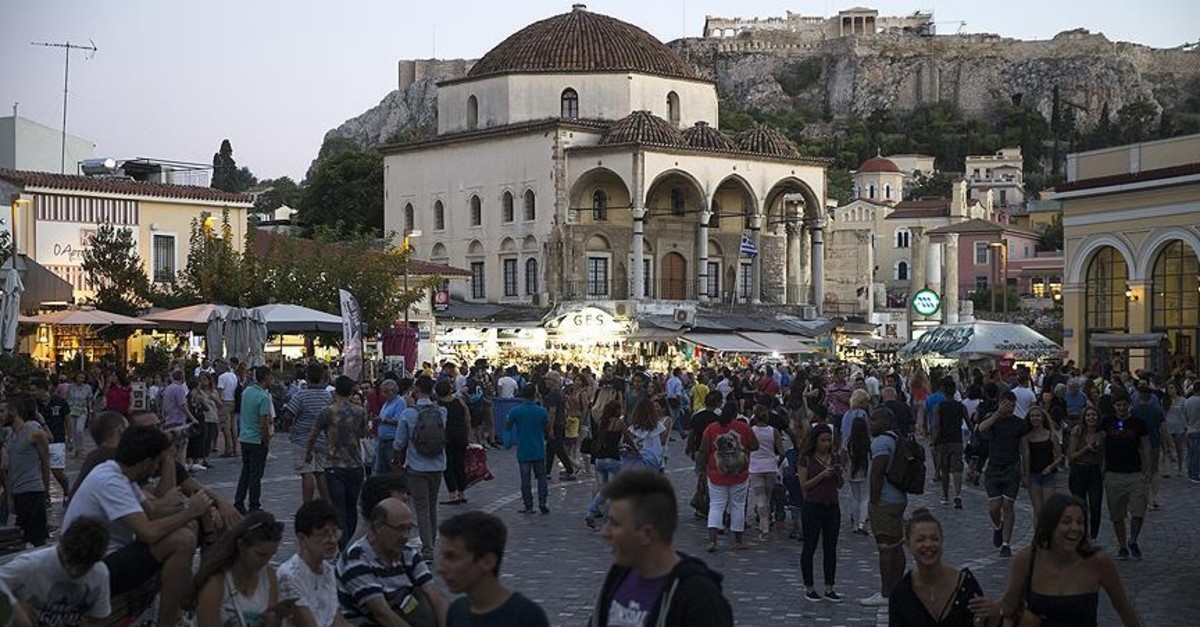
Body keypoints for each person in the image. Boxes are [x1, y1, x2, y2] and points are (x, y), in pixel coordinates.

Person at [63, 425, 212, 627]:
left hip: (109, 558)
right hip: (92, 567)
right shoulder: (111, 481)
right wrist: (190, 512)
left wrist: (192, 509)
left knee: (188, 528)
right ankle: (168, 621)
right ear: (146, 463)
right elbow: (148, 532)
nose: (156, 469)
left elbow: (152, 511)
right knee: (182, 540)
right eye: (157, 463)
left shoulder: (120, 473)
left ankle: (181, 603)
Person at [590, 470, 734, 627]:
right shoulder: (619, 575)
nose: (605, 532)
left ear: (647, 534)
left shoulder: (699, 598)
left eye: (615, 523)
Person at [998, 494, 1143, 627]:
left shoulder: (1098, 561)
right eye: (1066, 522)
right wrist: (988, 612)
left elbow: (1123, 607)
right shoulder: (1027, 559)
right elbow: (1008, 606)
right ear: (1051, 525)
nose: (1075, 528)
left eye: (1080, 523)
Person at [336, 497, 449, 627]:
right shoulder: (356, 559)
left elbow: (435, 596)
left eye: (408, 528)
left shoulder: (408, 553)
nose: (405, 536)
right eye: (399, 529)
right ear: (378, 527)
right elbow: (382, 614)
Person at [888, 508, 1001, 626]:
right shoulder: (901, 592)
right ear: (908, 545)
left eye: (934, 539)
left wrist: (995, 617)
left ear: (941, 542)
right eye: (920, 540)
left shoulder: (965, 586)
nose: (928, 544)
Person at [436, 511, 550, 627]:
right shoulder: (457, 610)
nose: (440, 568)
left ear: (487, 562)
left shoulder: (526, 617)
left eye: (452, 557)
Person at [0, 516, 111, 625]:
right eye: (68, 563)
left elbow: (98, 618)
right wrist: (13, 605)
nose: (74, 572)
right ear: (61, 547)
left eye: (84, 567)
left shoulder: (99, 573)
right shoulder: (32, 564)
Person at [194, 511, 292, 627]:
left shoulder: (269, 576)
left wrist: (277, 616)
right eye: (260, 554)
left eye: (271, 555)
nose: (265, 561)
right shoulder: (217, 584)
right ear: (241, 545)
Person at [308, 375, 368, 550]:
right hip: (355, 464)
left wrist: (308, 453)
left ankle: (343, 546)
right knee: (351, 506)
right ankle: (350, 544)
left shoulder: (327, 411)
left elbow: (313, 434)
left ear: (335, 391)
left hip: (334, 464)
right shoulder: (360, 411)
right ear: (351, 392)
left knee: (338, 506)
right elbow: (363, 434)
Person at [392, 376, 448, 560]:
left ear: (416, 389)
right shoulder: (441, 411)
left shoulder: (409, 414)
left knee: (421, 508)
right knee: (432, 506)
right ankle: (431, 542)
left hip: (416, 465)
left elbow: (399, 443)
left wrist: (396, 459)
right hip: (438, 464)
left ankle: (428, 548)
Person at [698, 401, 759, 552]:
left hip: (716, 472)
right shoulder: (744, 427)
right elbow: (755, 445)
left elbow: (703, 449)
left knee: (716, 505)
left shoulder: (711, 428)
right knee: (737, 505)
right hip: (739, 472)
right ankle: (738, 540)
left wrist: (701, 468)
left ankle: (712, 541)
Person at [278, 500, 351, 627]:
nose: (332, 540)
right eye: (324, 534)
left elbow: (337, 620)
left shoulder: (327, 570)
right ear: (302, 538)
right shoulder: (289, 576)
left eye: (334, 533)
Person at [860, 407, 906, 608]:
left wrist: (873, 500)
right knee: (896, 545)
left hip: (885, 500)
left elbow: (877, 472)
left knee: (885, 547)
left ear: (884, 421)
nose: (871, 423)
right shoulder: (895, 438)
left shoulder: (881, 442)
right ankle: (897, 588)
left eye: (874, 420)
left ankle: (886, 593)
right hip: (898, 497)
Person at [978, 391, 1029, 557]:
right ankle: (997, 527)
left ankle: (1006, 544)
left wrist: (1025, 472)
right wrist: (997, 414)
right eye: (1007, 404)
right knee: (994, 508)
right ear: (1000, 403)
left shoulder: (1019, 424)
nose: (1011, 408)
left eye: (1013, 405)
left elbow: (1024, 448)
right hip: (994, 468)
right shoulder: (993, 420)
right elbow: (981, 428)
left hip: (1011, 468)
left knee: (1008, 506)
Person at [797, 424, 844, 603]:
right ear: (815, 441)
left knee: (830, 548)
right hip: (812, 506)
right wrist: (823, 474)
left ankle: (829, 587)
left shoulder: (835, 457)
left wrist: (837, 474)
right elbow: (804, 485)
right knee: (810, 547)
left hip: (832, 506)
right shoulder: (806, 458)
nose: (826, 444)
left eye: (829, 440)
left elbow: (840, 485)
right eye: (823, 440)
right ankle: (809, 587)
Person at [1102, 392, 1151, 560]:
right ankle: (1122, 545)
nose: (1121, 408)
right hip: (1113, 474)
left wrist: (1148, 469)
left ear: (1129, 405)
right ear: (1114, 406)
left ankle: (1133, 540)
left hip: (1135, 473)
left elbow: (1145, 446)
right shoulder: (1107, 422)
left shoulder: (1138, 423)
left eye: (1124, 404)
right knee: (1117, 514)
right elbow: (1092, 431)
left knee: (1138, 511)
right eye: (1118, 405)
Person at [3, 397, 51, 546]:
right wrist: (10, 496)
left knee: (37, 539)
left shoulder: (32, 430)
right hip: (19, 493)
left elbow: (45, 461)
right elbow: (10, 468)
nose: (0, 415)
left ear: (13, 412)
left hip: (33, 491)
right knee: (21, 538)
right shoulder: (10, 436)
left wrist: (46, 490)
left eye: (2, 411)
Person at [286, 363, 333, 504]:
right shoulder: (327, 396)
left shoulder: (301, 395)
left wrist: (290, 427)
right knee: (320, 472)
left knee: (306, 472)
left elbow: (288, 415)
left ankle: (307, 504)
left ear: (307, 377)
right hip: (323, 439)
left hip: (302, 439)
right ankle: (326, 503)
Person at [506, 384, 552, 515]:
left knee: (525, 479)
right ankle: (542, 502)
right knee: (542, 477)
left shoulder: (515, 411)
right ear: (535, 395)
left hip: (523, 449)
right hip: (538, 448)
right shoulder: (542, 411)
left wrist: (507, 441)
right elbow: (548, 428)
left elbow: (508, 426)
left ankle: (528, 505)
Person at [235, 366, 275, 514]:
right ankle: (254, 504)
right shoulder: (263, 397)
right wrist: (266, 440)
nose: (272, 380)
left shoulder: (247, 392)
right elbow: (263, 421)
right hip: (256, 439)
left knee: (246, 471)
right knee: (256, 474)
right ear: (266, 377)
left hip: (244, 437)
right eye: (271, 377)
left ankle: (239, 501)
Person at [1068, 405, 1106, 541]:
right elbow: (1071, 456)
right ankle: (1081, 533)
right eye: (1088, 415)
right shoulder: (1077, 432)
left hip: (1094, 471)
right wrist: (1086, 449)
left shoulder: (1102, 434)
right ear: (1084, 417)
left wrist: (1103, 469)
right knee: (1080, 506)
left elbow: (1104, 454)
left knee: (1095, 505)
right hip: (1079, 470)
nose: (1091, 418)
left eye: (1094, 415)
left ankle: (1093, 534)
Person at [1022, 406, 1063, 522]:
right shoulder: (1027, 437)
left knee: (1048, 508)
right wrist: (1024, 474)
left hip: (1048, 475)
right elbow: (1025, 456)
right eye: (1032, 416)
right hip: (1033, 474)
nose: (1035, 418)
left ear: (1043, 418)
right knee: (1037, 509)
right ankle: (1038, 536)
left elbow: (1060, 457)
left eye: (1037, 416)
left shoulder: (1051, 435)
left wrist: (1050, 467)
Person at [32, 379, 72, 498]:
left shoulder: (60, 402)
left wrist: (69, 438)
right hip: (39, 441)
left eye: (34, 390)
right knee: (40, 471)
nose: (32, 393)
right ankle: (45, 497)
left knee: (57, 472)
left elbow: (68, 420)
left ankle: (66, 491)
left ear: (42, 389)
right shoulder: (33, 405)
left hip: (57, 440)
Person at [930, 377, 967, 509]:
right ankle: (958, 494)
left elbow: (936, 426)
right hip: (957, 440)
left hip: (943, 441)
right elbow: (969, 423)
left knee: (944, 469)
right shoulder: (961, 406)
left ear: (943, 390)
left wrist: (933, 442)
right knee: (957, 469)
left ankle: (945, 495)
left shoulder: (938, 407)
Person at [747, 406, 782, 541]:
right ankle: (764, 525)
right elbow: (781, 451)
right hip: (770, 466)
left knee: (760, 499)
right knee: (767, 498)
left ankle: (764, 527)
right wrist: (776, 461)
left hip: (756, 467)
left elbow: (748, 448)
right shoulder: (774, 431)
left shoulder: (752, 431)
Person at [437, 380, 471, 506]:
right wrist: (469, 434)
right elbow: (467, 418)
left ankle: (453, 493)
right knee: (460, 463)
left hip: (446, 437)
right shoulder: (459, 401)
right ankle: (462, 492)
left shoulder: (438, 405)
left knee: (448, 465)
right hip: (461, 436)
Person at [845, 416, 872, 535]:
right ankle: (862, 523)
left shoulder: (848, 442)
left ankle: (855, 525)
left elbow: (843, 456)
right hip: (864, 471)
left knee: (855, 497)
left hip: (851, 471)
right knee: (865, 498)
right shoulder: (868, 442)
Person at [66, 372, 94, 459]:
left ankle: (80, 449)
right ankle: (74, 449)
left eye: (82, 378)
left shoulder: (87, 388)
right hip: (71, 410)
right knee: (73, 430)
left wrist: (90, 410)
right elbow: (67, 398)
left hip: (82, 410)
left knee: (79, 430)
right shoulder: (70, 387)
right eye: (79, 377)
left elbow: (89, 399)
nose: (80, 379)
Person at [217, 359, 241, 456]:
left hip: (225, 402)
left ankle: (228, 449)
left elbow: (220, 391)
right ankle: (236, 447)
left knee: (225, 427)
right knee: (233, 427)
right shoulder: (233, 375)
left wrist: (217, 404)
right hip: (233, 402)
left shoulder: (222, 377)